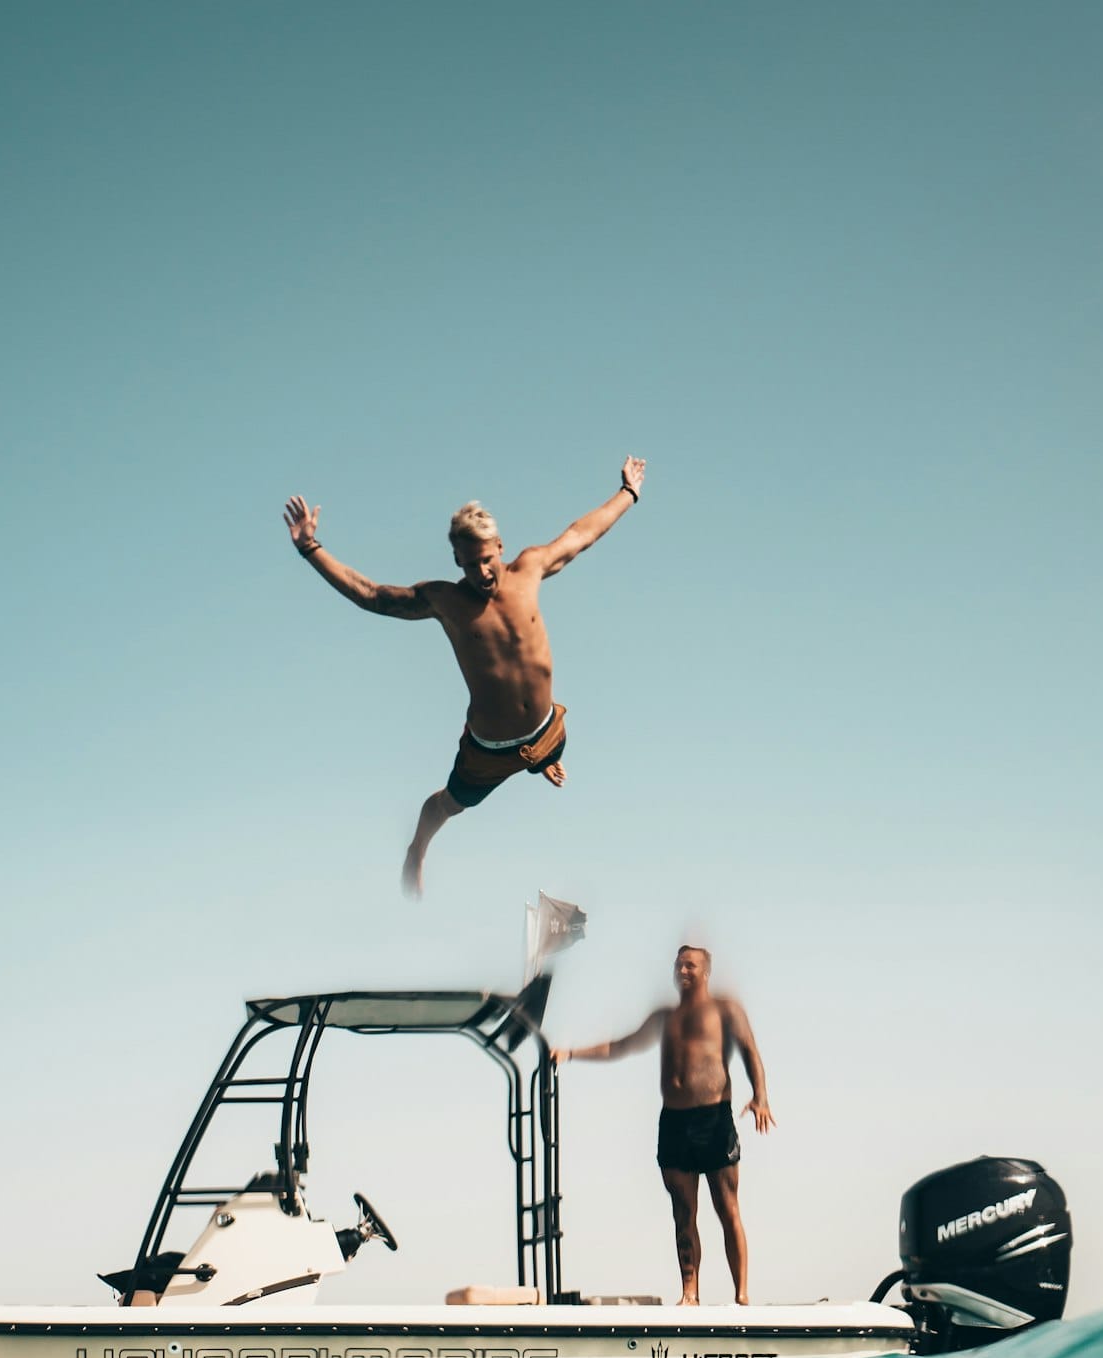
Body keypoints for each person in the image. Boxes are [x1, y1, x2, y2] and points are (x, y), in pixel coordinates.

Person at [282, 457, 647, 895]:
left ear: (500, 547)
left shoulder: (530, 569)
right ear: (457, 559)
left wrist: (628, 492)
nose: (481, 573)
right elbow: (372, 596)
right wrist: (310, 548)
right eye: (469, 564)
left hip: (549, 730)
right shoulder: (444, 600)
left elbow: (581, 534)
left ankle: (543, 761)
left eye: (487, 560)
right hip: (487, 751)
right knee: (446, 806)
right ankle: (417, 849)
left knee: (552, 753)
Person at [555, 945, 775, 1305]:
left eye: (690, 964)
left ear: (706, 971)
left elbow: (750, 1050)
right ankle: (690, 1294)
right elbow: (621, 1045)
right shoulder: (664, 1017)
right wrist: (571, 1052)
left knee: (727, 1208)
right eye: (678, 964)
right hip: (674, 1123)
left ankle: (742, 1295)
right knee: (683, 1213)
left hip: (714, 1117)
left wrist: (761, 1096)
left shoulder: (726, 1009)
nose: (682, 970)